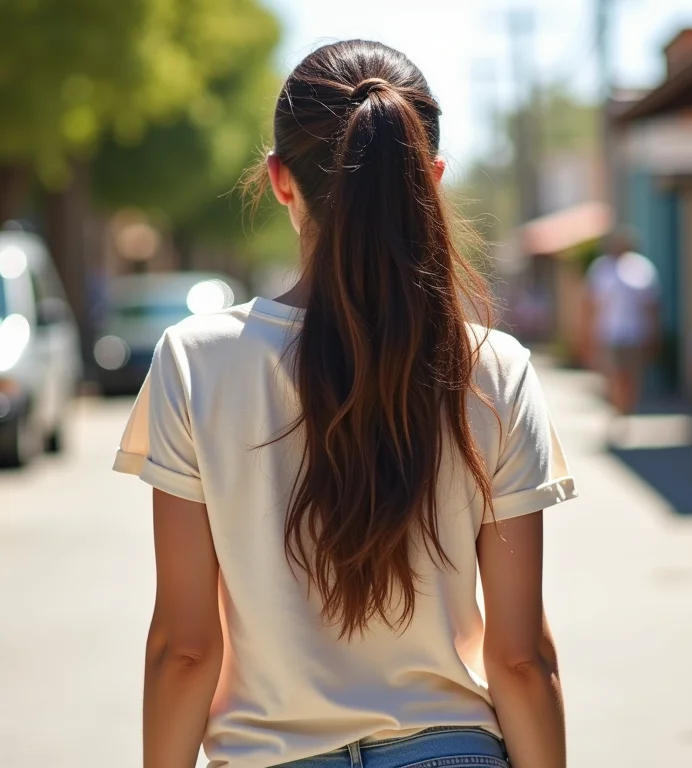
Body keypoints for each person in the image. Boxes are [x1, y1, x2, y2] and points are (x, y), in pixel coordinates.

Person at [113, 40, 578, 768]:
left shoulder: (193, 361)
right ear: (431, 178)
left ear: (279, 180)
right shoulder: (496, 367)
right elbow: (520, 660)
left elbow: (186, 649)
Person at [584, 229, 661, 423]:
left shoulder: (642, 268)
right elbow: (590, 305)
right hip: (608, 334)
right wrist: (587, 336)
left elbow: (652, 305)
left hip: (635, 334)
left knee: (632, 376)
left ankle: (627, 410)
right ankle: (618, 411)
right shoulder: (601, 269)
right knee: (614, 375)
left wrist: (653, 333)